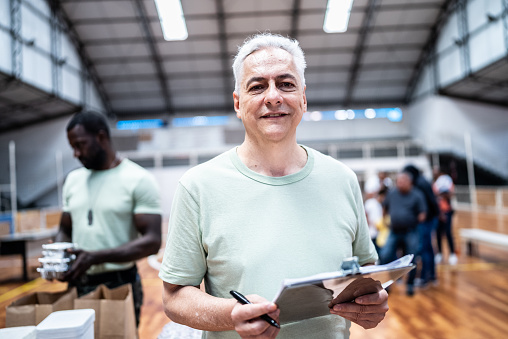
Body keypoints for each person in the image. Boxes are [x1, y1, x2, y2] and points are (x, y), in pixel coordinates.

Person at [159, 33, 388, 339]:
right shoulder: (198, 186)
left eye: (286, 84)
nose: (273, 96)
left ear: (303, 98)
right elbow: (174, 297)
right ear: (238, 104)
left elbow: (365, 265)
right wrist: (231, 315)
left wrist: (372, 301)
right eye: (257, 86)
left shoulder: (342, 179)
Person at [55, 111, 162, 326]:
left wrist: (95, 257)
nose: (75, 153)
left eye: (80, 144)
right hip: (78, 283)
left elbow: (152, 241)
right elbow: (65, 228)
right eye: (72, 147)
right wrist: (59, 256)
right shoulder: (73, 180)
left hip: (119, 283)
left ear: (101, 137)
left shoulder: (138, 179)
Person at [380, 171, 426, 296]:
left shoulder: (417, 195)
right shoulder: (392, 193)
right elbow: (384, 206)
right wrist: (385, 220)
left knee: (411, 259)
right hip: (394, 231)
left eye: (402, 181)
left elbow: (423, 213)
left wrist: (413, 220)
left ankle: (410, 285)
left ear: (409, 182)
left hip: (410, 232)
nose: (399, 184)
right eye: (398, 181)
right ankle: (386, 284)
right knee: (385, 256)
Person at [403, 165, 439, 286]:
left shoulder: (420, 184)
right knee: (428, 249)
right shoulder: (423, 181)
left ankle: (425, 277)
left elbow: (430, 202)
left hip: (425, 221)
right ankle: (432, 276)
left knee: (424, 249)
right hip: (428, 220)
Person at [433, 167, 457, 265]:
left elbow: (451, 194)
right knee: (438, 233)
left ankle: (452, 254)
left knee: (448, 233)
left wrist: (444, 194)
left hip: (447, 211)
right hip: (438, 212)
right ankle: (439, 253)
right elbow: (434, 196)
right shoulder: (435, 184)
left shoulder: (447, 181)